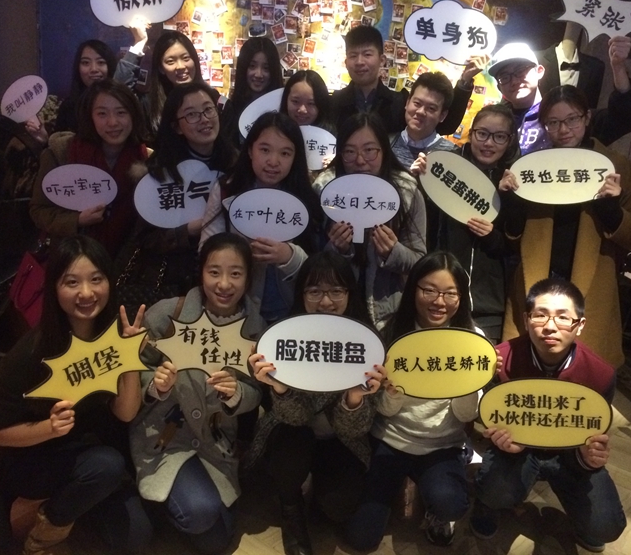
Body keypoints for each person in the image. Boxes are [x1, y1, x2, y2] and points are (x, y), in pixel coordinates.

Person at [0, 236, 152, 555]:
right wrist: (49, 428)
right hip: (33, 460)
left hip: (89, 451)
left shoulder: (112, 335)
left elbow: (125, 413)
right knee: (107, 466)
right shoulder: (28, 354)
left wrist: (130, 358)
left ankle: (78, 502)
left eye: (96, 279)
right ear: (54, 288)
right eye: (72, 282)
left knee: (137, 537)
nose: (87, 293)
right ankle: (46, 531)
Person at [130, 233, 264, 555]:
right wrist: (156, 383)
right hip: (165, 438)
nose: (224, 284)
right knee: (201, 513)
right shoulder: (168, 313)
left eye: (235, 273)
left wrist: (236, 394)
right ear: (201, 272)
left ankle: (169, 504)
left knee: (217, 538)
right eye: (214, 272)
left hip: (214, 442)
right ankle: (156, 499)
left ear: (248, 278)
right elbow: (135, 369)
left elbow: (257, 391)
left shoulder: (255, 327)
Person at [499, 85, 631, 367]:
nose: (563, 130)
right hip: (538, 280)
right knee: (528, 365)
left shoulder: (615, 166)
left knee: (582, 373)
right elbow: (512, 236)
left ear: (587, 117)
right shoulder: (532, 169)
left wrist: (611, 211)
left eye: (572, 119)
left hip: (592, 286)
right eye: (553, 122)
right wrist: (512, 205)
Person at [471, 278, 626, 553]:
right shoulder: (500, 360)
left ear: (580, 325)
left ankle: (582, 517)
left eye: (563, 318)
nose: (550, 326)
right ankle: (487, 504)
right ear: (526, 319)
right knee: (495, 491)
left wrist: (588, 458)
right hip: (517, 451)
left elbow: (592, 433)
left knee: (605, 526)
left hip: (569, 455)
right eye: (540, 315)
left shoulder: (600, 374)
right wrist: (502, 441)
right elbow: (490, 417)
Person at [246, 252, 386, 555]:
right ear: (301, 294)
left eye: (336, 291)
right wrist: (280, 386)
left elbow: (354, 430)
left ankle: (319, 501)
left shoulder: (368, 345)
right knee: (290, 450)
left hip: (341, 439)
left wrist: (354, 397)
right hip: (291, 432)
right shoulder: (282, 340)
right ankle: (290, 508)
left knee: (339, 505)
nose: (325, 302)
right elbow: (293, 418)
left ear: (350, 293)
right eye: (314, 291)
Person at [344, 251, 482, 549]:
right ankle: (401, 485)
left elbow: (466, 415)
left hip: (442, 445)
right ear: (413, 289)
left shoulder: (473, 341)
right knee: (361, 539)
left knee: (450, 503)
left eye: (450, 293)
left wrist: (469, 384)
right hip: (390, 441)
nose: (439, 301)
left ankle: (436, 496)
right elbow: (383, 410)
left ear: (462, 297)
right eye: (429, 290)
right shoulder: (391, 333)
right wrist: (394, 393)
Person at [121, 81, 239, 311]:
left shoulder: (238, 165)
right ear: (176, 127)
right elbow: (145, 237)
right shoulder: (157, 172)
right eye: (191, 114)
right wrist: (186, 231)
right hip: (174, 282)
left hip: (227, 280)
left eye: (208, 109)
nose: (204, 119)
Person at [200, 111, 323, 323]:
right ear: (250, 150)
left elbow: (318, 265)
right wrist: (237, 253)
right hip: (235, 309)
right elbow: (206, 249)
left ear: (295, 157)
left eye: (285, 153)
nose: (273, 161)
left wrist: (289, 256)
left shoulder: (306, 197)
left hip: (290, 310)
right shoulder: (226, 190)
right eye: (265, 150)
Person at [411, 104, 519, 342]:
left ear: (510, 140)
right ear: (471, 133)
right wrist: (418, 180)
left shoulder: (512, 181)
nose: (488, 143)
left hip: (487, 305)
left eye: (499, 136)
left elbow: (516, 245)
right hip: (439, 297)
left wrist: (493, 235)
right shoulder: (443, 168)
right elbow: (421, 226)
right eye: (482, 134)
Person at [314, 112, 426, 327]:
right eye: (349, 151)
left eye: (369, 150)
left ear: (384, 150)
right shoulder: (324, 190)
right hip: (333, 313)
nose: (360, 160)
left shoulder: (406, 191)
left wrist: (392, 251)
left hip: (388, 316)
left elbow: (419, 261)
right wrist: (336, 249)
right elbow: (311, 259)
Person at [29, 79, 148, 259]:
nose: (113, 122)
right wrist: (76, 220)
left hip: (126, 263)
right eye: (102, 114)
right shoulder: (62, 153)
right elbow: (39, 210)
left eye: (121, 112)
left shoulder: (145, 159)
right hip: (73, 260)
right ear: (89, 116)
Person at [487, 38, 631, 155]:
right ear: (499, 86)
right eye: (504, 77)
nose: (514, 81)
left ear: (539, 71)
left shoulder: (566, 115)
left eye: (521, 71)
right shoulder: (495, 121)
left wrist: (618, 67)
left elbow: (623, 120)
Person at [330, 26, 482, 136]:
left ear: (382, 60)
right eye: (353, 56)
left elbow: (445, 126)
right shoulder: (334, 102)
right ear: (346, 62)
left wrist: (465, 81)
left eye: (367, 54)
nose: (359, 62)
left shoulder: (399, 102)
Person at [116, 28, 234, 137]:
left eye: (186, 58)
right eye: (170, 61)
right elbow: (118, 94)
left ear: (195, 60)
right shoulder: (151, 104)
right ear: (161, 68)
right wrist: (139, 43)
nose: (180, 66)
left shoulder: (218, 103)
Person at [389, 71, 459, 170]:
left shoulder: (452, 155)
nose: (421, 112)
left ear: (442, 115)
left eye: (431, 108)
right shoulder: (385, 144)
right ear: (407, 103)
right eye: (417, 103)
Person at [55, 39, 118, 133]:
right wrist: (43, 138)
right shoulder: (69, 106)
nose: (94, 69)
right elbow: (58, 138)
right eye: (86, 63)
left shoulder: (122, 102)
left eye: (100, 62)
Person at [230, 36, 284, 119]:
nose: (259, 74)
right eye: (252, 66)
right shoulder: (230, 111)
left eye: (266, 68)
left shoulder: (284, 109)